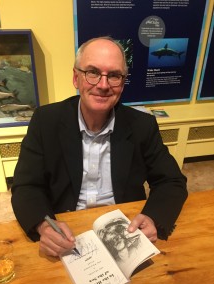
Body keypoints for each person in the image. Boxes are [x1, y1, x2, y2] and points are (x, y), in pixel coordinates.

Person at [11, 36, 187, 257]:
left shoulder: (142, 125)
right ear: (76, 78)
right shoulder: (46, 121)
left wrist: (153, 217)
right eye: (92, 72)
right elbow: (26, 186)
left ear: (122, 83)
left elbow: (171, 181)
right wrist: (44, 226)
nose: (103, 85)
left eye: (113, 75)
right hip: (67, 231)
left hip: (125, 230)